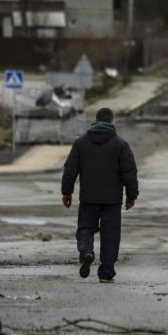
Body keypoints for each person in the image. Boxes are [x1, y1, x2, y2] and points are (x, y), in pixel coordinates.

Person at [61, 107, 139, 283]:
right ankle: (106, 272)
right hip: (112, 200)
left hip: (88, 198)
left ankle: (87, 251)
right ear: (112, 121)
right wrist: (131, 196)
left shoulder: (80, 143)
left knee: (85, 228)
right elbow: (130, 173)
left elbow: (70, 170)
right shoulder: (120, 144)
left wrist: (66, 192)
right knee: (110, 235)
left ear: (96, 121)